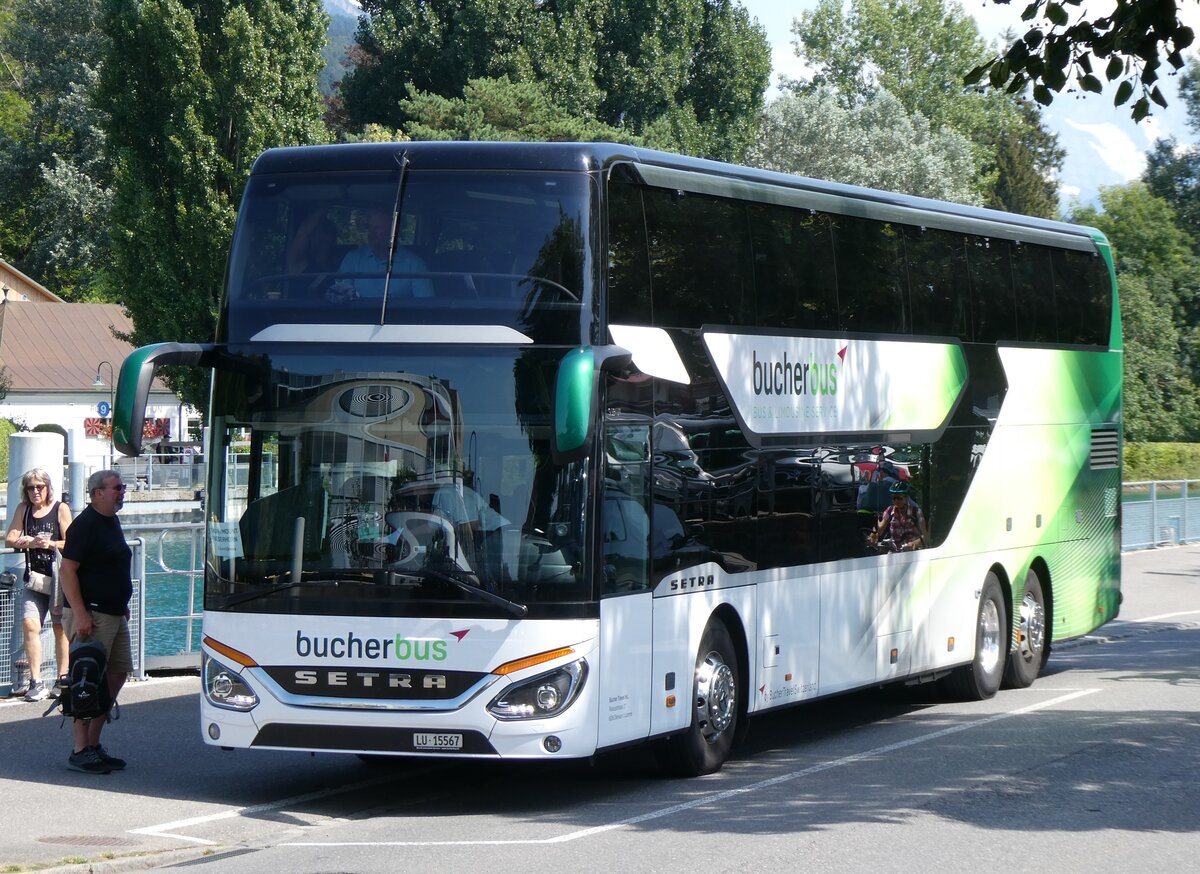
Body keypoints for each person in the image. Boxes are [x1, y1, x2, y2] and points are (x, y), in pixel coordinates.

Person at [59, 470, 132, 774]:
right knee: (86, 678)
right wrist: (79, 613)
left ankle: (93, 743)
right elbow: (67, 571)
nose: (122, 492)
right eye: (117, 488)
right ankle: (80, 749)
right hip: (91, 614)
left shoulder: (111, 520)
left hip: (113, 611)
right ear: (97, 492)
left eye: (122, 487)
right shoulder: (85, 525)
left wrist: (122, 603)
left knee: (116, 673)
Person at [5, 469, 73, 702]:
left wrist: (50, 543)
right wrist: (29, 541)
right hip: (33, 579)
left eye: (39, 487)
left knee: (59, 628)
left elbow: (72, 542)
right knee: (29, 623)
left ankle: (62, 678)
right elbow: (10, 537)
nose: (35, 491)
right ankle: (36, 682)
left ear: (47, 487)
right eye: (30, 487)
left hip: (58, 579)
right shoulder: (23, 510)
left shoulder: (59, 509)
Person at [326, 207, 433, 301]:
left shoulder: (415, 265)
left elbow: (426, 307)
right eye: (369, 228)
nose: (371, 234)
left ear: (393, 231)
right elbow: (339, 296)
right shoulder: (352, 259)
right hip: (357, 322)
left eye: (377, 228)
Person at [284, 211, 340, 298]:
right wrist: (321, 208)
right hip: (298, 311)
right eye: (316, 233)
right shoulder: (298, 263)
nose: (322, 239)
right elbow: (301, 235)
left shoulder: (340, 265)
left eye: (328, 234)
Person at [868, 481, 928, 552]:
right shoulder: (890, 511)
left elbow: (926, 537)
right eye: (894, 498)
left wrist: (914, 544)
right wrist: (874, 534)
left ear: (907, 497)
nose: (896, 501)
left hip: (913, 554)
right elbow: (879, 529)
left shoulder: (916, 512)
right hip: (895, 553)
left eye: (899, 498)